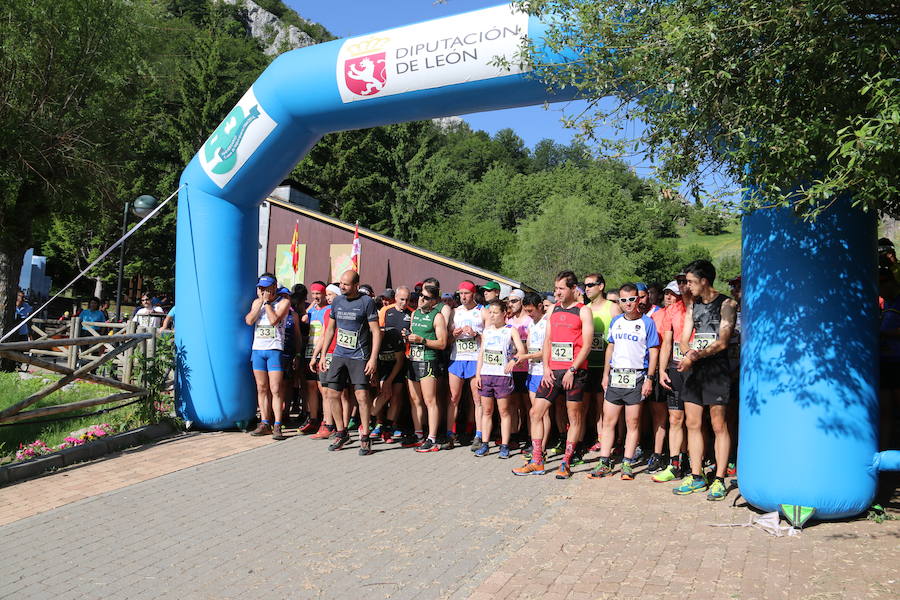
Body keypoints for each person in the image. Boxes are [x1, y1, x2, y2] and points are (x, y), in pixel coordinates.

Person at [513, 271, 593, 478]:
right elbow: (547, 341)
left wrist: (573, 369)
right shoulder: (553, 310)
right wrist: (547, 368)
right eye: (555, 288)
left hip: (574, 373)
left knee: (573, 417)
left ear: (573, 289)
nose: (556, 293)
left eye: (561, 289)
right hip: (552, 371)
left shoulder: (583, 311)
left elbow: (587, 345)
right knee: (535, 413)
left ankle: (566, 462)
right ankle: (537, 460)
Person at [675, 259, 738, 500]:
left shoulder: (727, 304)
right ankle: (696, 475)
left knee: (718, 424)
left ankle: (720, 479)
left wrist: (696, 355)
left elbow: (723, 341)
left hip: (716, 370)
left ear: (704, 281)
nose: (687, 287)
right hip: (693, 369)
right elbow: (683, 337)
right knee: (692, 423)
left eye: (691, 282)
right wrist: (687, 352)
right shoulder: (692, 305)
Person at [589, 283, 660, 480]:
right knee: (608, 422)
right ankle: (604, 462)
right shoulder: (616, 321)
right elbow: (610, 349)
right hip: (615, 377)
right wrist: (605, 375)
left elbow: (654, 353)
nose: (628, 303)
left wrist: (650, 379)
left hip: (637, 377)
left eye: (631, 299)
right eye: (623, 300)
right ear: (619, 301)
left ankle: (627, 463)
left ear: (638, 300)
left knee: (632, 423)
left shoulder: (648, 323)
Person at [318, 270, 382, 455]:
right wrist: (323, 355)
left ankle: (365, 437)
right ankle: (341, 432)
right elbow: (330, 330)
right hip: (339, 355)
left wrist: (372, 359)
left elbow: (376, 332)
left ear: (356, 285)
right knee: (331, 394)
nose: (342, 287)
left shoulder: (366, 302)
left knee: (362, 397)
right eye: (340, 284)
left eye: (346, 284)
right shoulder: (337, 301)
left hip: (359, 356)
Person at [651, 277, 694, 482]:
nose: (683, 286)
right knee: (675, 419)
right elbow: (666, 343)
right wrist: (662, 370)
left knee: (695, 422)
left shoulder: (700, 307)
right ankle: (674, 464)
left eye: (686, 282)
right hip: (675, 368)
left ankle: (695, 466)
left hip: (696, 369)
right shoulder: (671, 310)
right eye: (680, 283)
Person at [473, 299, 526, 458]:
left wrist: (513, 360)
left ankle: (505, 445)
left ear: (504, 314)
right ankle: (485, 444)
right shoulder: (487, 331)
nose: (492, 316)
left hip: (502, 376)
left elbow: (521, 350)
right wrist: (477, 375)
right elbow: (481, 353)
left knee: (504, 411)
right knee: (487, 411)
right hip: (486, 375)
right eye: (490, 312)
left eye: (496, 313)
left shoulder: (511, 330)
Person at [245, 273, 291, 440]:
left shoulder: (283, 302)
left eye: (266, 288)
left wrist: (267, 303)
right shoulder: (257, 302)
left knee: (276, 389)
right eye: (261, 288)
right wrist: (260, 304)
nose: (263, 291)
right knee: (261, 388)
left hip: (274, 350)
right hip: (258, 350)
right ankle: (265, 422)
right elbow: (249, 320)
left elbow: (274, 320)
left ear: (274, 288)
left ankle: (277, 424)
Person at [405, 283, 448, 452]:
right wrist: (407, 337)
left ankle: (432, 438)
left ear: (434, 301)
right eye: (420, 296)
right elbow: (412, 335)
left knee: (430, 400)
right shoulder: (414, 314)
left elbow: (443, 343)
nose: (421, 299)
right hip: (413, 360)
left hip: (428, 360)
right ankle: (418, 434)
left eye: (426, 297)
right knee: (415, 400)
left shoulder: (437, 317)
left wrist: (423, 341)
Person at [583, 274, 621, 454]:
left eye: (591, 285)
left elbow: (619, 340)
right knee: (584, 407)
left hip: (605, 367)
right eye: (585, 285)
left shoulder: (612, 308)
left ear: (601, 286)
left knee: (603, 406)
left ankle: (604, 439)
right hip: (586, 365)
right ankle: (585, 439)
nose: (587, 288)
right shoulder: (585, 309)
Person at [446, 280, 483, 450]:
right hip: (457, 358)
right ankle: (449, 433)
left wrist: (475, 334)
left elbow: (489, 338)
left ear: (473, 293)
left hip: (475, 359)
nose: (463, 297)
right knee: (454, 397)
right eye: (460, 293)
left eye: (466, 293)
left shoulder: (482, 311)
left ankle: (478, 434)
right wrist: (453, 335)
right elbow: (446, 339)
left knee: (477, 399)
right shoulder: (454, 312)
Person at [374, 286, 411, 443]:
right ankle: (378, 423)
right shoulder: (386, 311)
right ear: (395, 298)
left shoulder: (411, 313)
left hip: (403, 357)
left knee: (396, 394)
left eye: (407, 299)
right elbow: (378, 331)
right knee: (383, 392)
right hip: (385, 357)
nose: (404, 302)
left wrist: (408, 337)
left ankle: (391, 426)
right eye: (402, 299)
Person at [519, 292, 551, 459]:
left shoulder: (547, 323)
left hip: (543, 372)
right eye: (526, 311)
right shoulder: (531, 324)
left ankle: (542, 447)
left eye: (531, 311)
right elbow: (529, 347)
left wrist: (525, 357)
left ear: (540, 307)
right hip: (532, 371)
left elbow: (546, 351)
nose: (529, 314)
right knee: (534, 411)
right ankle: (536, 444)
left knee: (542, 412)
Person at [309, 284, 341, 439]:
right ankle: (327, 423)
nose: (327, 298)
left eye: (330, 295)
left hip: (340, 354)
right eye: (326, 295)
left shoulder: (343, 310)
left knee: (340, 393)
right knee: (325, 391)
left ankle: (341, 426)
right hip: (326, 355)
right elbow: (323, 335)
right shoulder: (327, 312)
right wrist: (316, 355)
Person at [300, 282, 329, 435]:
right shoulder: (312, 311)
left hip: (322, 353)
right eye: (313, 294)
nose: (316, 297)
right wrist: (313, 305)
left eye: (318, 294)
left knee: (322, 388)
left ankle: (326, 420)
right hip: (310, 352)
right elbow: (304, 318)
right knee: (310, 386)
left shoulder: (329, 309)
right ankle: (313, 418)